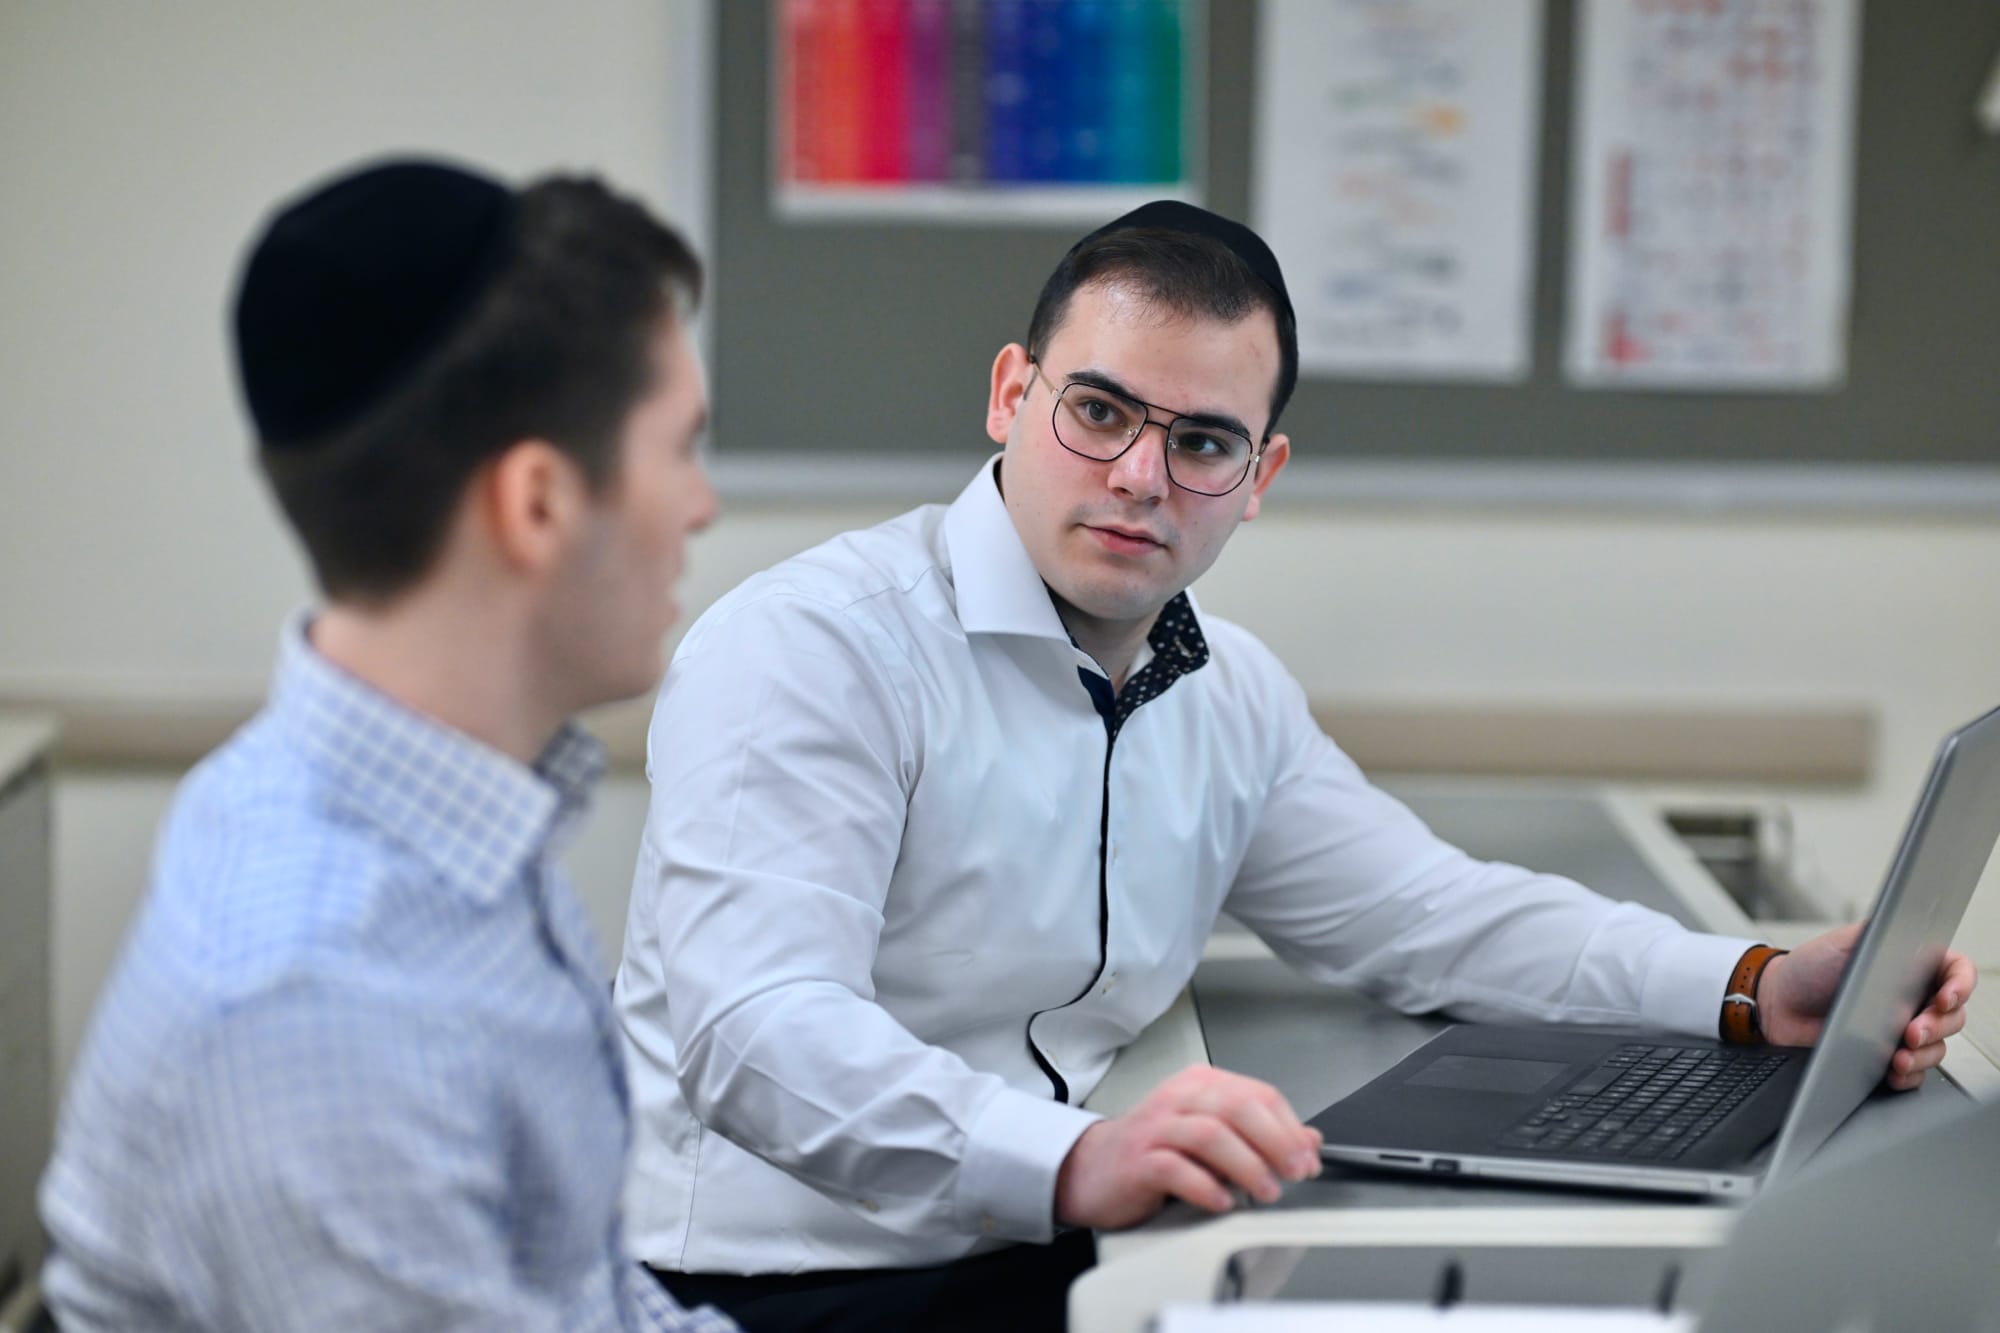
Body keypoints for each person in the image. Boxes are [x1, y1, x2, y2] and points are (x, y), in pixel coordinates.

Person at [613, 201, 1976, 1330]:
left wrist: (1751, 987)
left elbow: (1430, 917)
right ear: (1011, 396)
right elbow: (760, 1028)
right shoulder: (812, 648)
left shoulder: (1227, 688)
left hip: (1039, 1245)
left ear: (1258, 476)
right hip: (774, 1282)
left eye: (1201, 442)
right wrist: (1076, 1157)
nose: (1143, 476)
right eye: (1098, 410)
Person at [39, 159, 736, 1331]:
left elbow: (588, 1292)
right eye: (681, 447)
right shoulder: (319, 1008)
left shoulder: (446, 811)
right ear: (537, 505)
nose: (702, 506)